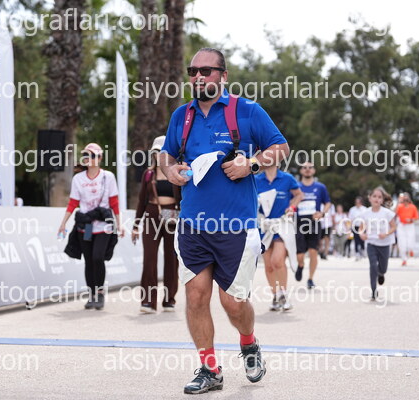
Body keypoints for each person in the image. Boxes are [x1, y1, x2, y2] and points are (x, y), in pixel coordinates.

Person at [159, 48, 289, 394]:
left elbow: (281, 147)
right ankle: (210, 369)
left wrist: (251, 164)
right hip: (192, 225)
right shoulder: (182, 116)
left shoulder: (247, 111)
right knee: (196, 297)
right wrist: (170, 170)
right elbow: (166, 154)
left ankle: (249, 342)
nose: (198, 77)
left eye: (206, 71)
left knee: (232, 302)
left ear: (223, 76)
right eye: (193, 71)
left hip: (236, 227)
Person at [58, 143, 124, 310]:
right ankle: (92, 294)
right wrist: (63, 223)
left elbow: (114, 202)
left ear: (100, 158)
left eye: (92, 155)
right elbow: (73, 202)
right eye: (86, 155)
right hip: (86, 225)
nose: (88, 158)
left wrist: (120, 223)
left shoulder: (108, 177)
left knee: (97, 257)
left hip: (104, 226)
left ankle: (100, 293)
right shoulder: (78, 179)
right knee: (88, 260)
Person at [132, 136, 180, 314]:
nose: (159, 155)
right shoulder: (148, 174)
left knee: (171, 259)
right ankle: (148, 302)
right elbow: (141, 201)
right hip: (151, 215)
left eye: (163, 152)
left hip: (172, 216)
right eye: (157, 152)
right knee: (149, 259)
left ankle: (169, 300)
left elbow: (184, 198)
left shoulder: (177, 172)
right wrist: (136, 225)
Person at [256, 164, 303, 312]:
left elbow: (299, 195)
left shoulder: (287, 178)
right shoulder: (256, 179)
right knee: (269, 265)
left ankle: (284, 294)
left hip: (282, 225)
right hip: (264, 226)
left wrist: (292, 207)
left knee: (277, 261)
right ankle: (275, 296)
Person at [294, 162, 331, 289]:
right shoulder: (296, 186)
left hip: (314, 222)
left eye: (310, 167)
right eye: (304, 168)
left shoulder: (320, 187)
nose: (307, 169)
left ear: (314, 171)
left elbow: (328, 203)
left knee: (313, 251)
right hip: (299, 222)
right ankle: (300, 265)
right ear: (301, 171)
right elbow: (290, 202)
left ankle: (310, 279)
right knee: (300, 254)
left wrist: (322, 213)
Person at [358, 187, 397, 300]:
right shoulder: (365, 213)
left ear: (382, 200)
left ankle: (381, 274)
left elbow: (394, 227)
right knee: (373, 265)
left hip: (384, 244)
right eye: (374, 196)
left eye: (379, 197)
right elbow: (361, 228)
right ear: (369, 198)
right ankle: (374, 291)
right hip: (371, 243)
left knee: (383, 268)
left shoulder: (387, 213)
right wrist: (362, 234)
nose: (377, 199)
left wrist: (386, 234)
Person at [395, 192, 419, 266]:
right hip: (401, 226)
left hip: (410, 226)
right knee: (401, 242)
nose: (405, 201)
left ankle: (410, 250)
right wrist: (398, 202)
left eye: (406, 199)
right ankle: (404, 259)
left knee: (410, 241)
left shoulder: (413, 207)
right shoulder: (400, 206)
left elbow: (416, 218)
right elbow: (394, 213)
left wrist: (411, 219)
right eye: (404, 199)